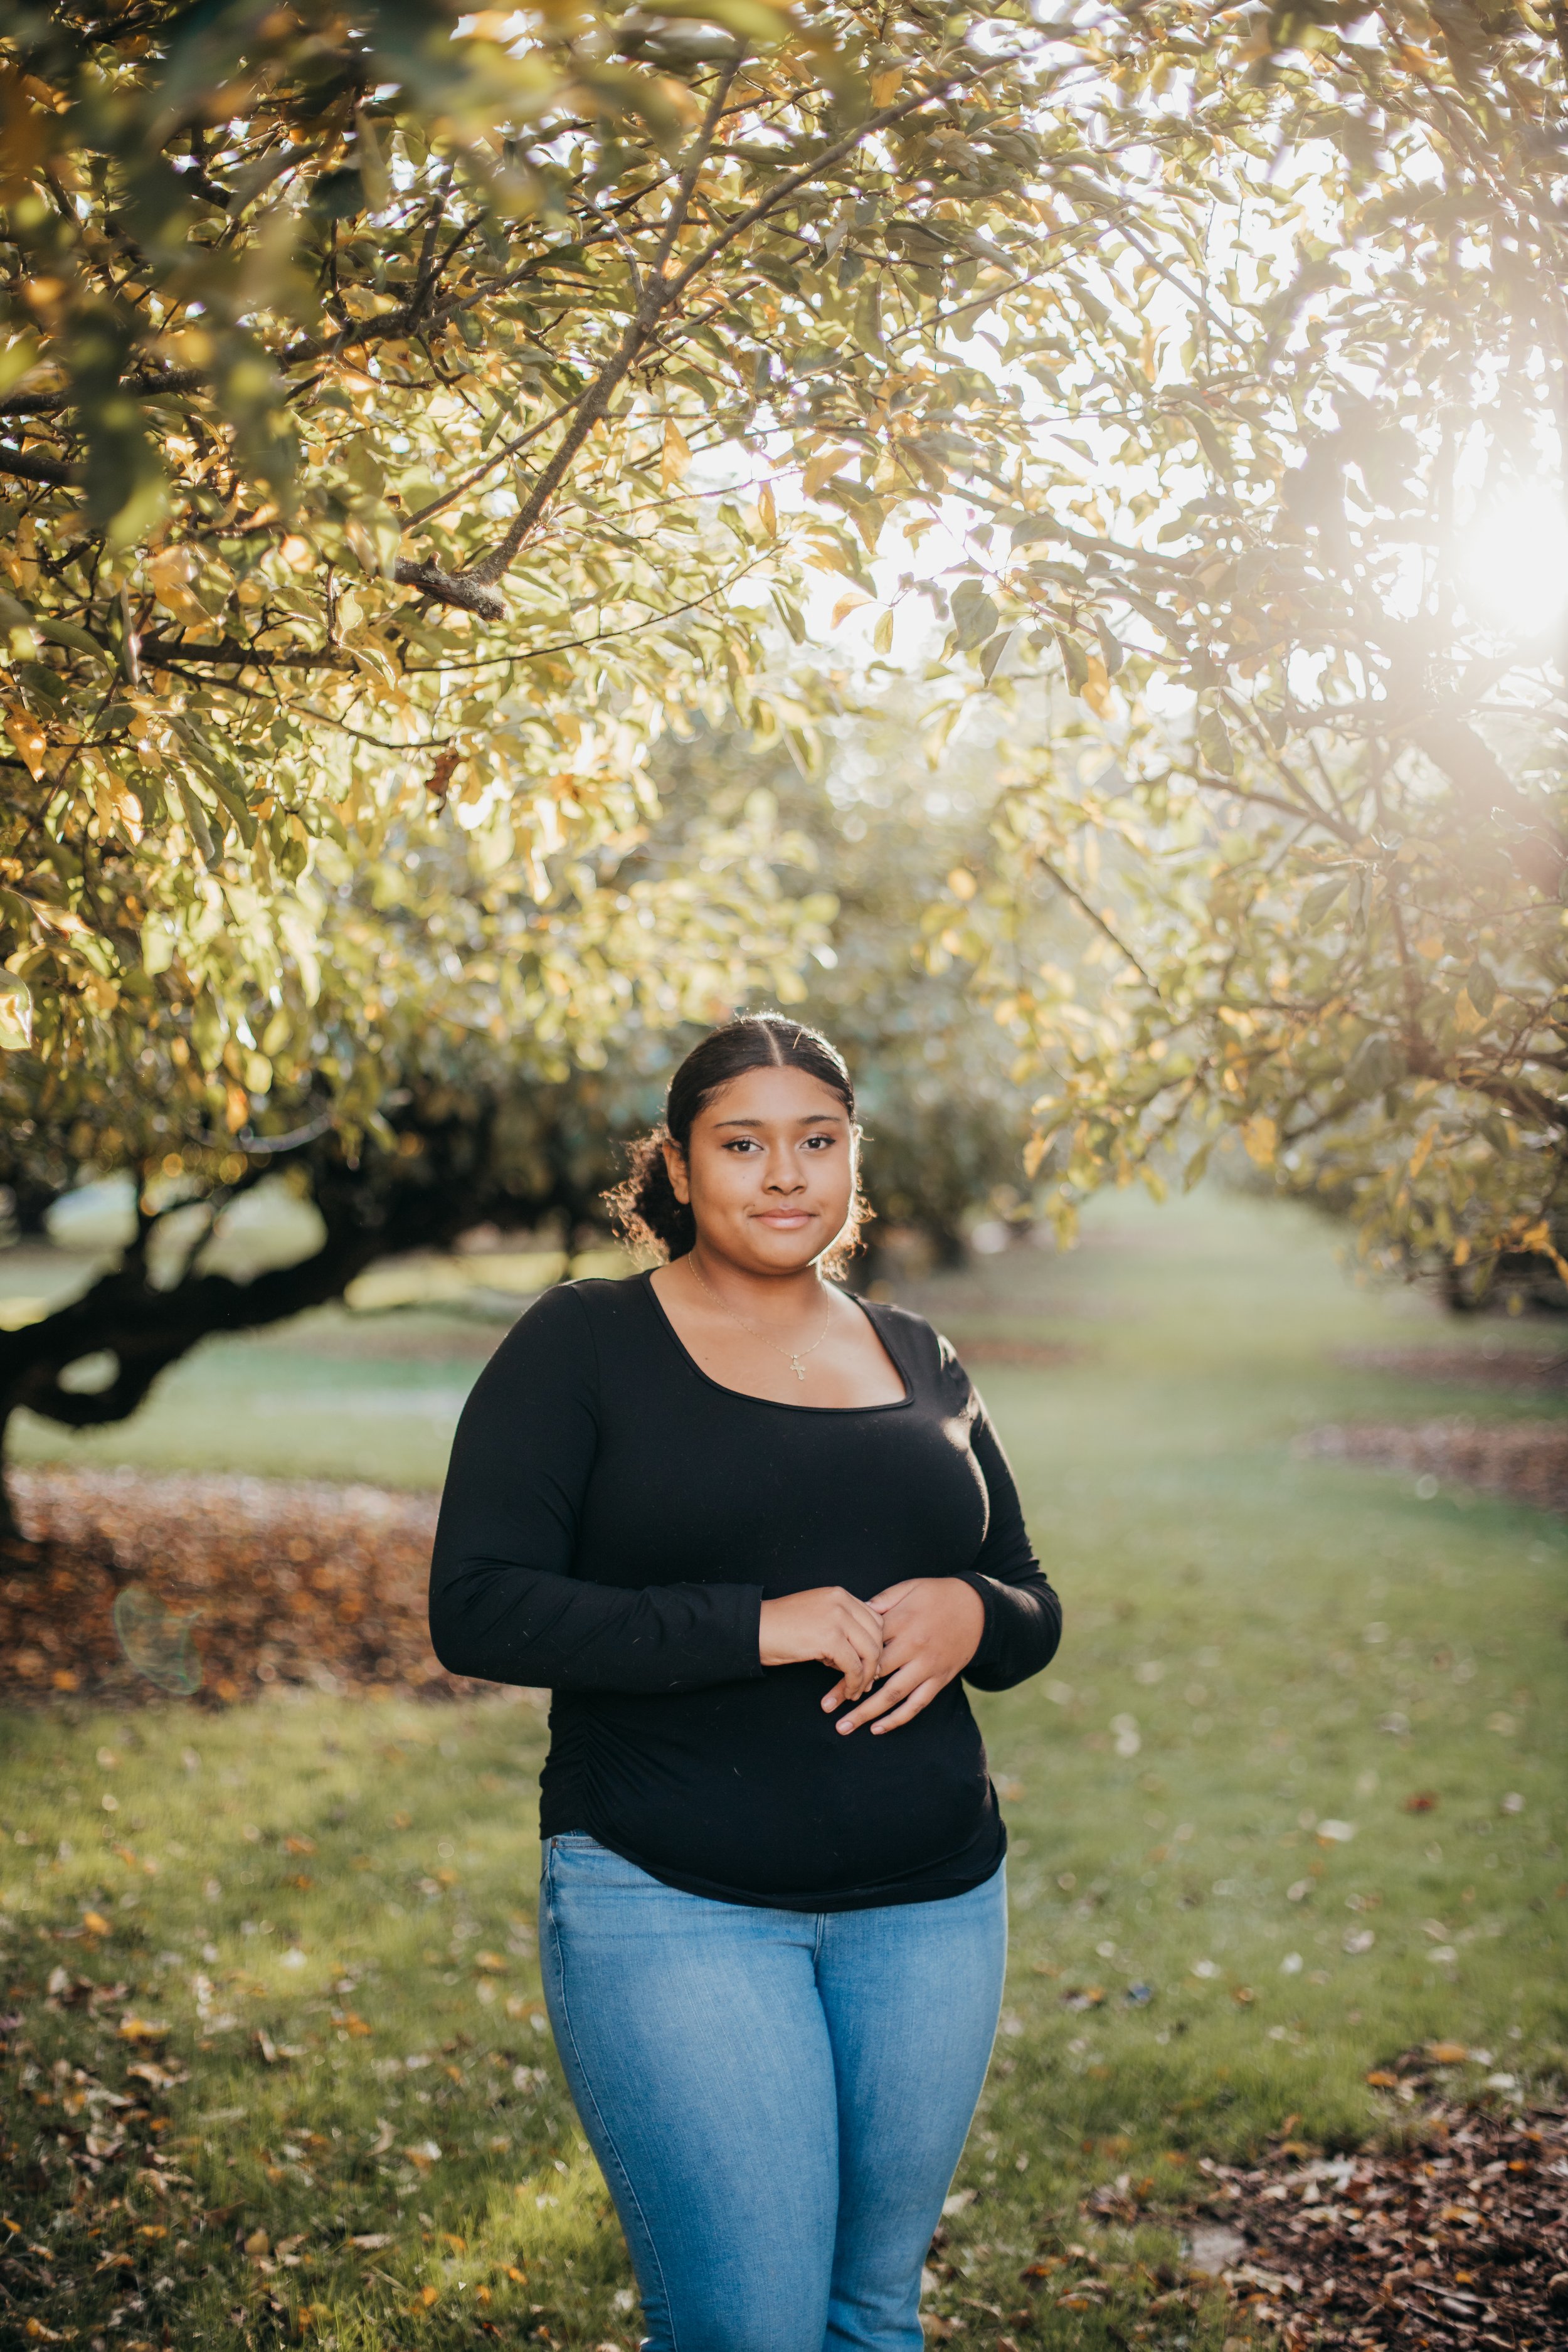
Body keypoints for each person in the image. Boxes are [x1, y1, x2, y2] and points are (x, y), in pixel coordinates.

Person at [428, 1013, 1061, 2352]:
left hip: (933, 1906)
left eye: (816, 1142)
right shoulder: (583, 1345)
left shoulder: (917, 1355)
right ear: (675, 1163)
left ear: (852, 1158)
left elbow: (1026, 1596)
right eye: (743, 1144)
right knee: (751, 2333)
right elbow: (476, 1608)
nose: (785, 1176)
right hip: (669, 1901)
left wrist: (970, 1610)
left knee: (870, 2322)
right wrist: (750, 1628)